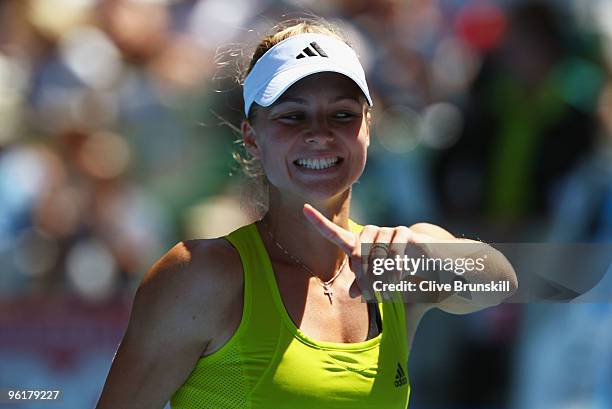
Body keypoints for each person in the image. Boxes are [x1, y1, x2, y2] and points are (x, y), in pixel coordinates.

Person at [95, 19, 517, 409]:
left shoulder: (397, 259)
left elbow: (501, 281)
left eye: (343, 115)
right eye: (293, 116)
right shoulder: (199, 275)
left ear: (369, 127)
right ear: (252, 138)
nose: (320, 133)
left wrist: (431, 259)